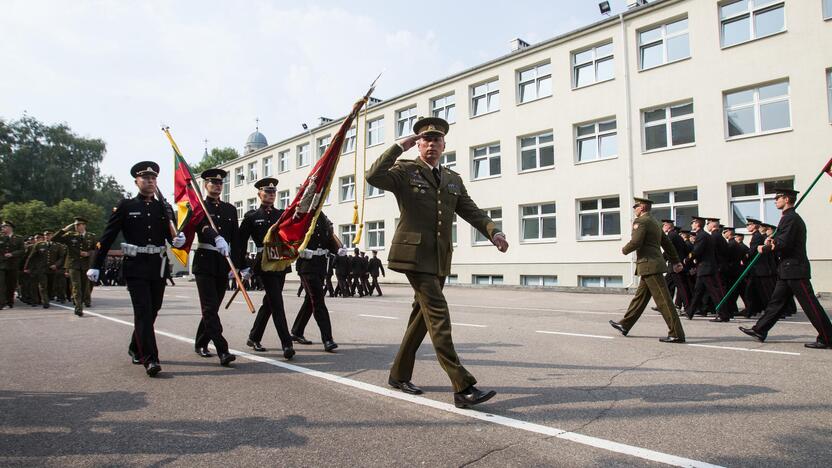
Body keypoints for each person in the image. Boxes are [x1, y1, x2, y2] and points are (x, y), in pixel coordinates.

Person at [366, 116, 508, 409]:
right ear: (417, 144)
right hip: (413, 256)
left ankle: (398, 375)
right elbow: (373, 176)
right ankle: (462, 386)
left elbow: (472, 211)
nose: (431, 144)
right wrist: (397, 147)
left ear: (444, 144)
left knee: (421, 318)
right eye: (425, 140)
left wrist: (494, 232)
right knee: (439, 315)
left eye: (436, 140)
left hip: (440, 257)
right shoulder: (405, 171)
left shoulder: (453, 179)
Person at [87, 161, 186, 376]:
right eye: (145, 178)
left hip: (157, 267)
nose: (150, 181)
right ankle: (150, 358)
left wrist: (178, 240)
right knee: (143, 311)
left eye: (153, 178)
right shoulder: (126, 206)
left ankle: (135, 346)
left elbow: (171, 235)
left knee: (153, 309)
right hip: (135, 266)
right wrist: (96, 265)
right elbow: (107, 237)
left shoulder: (164, 207)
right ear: (136, 181)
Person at [739, 187, 832, 349]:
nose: (775, 200)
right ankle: (760, 330)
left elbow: (784, 244)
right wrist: (771, 241)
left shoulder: (791, 218)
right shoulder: (787, 218)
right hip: (787, 269)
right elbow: (782, 240)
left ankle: (827, 337)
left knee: (810, 305)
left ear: (787, 199)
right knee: (776, 302)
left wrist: (765, 247)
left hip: (795, 269)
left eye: (778, 197)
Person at [235, 177, 296, 359]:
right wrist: (243, 266)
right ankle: (287, 343)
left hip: (280, 262)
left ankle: (254, 337)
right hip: (264, 263)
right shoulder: (252, 217)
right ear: (259, 194)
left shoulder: (282, 215)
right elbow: (240, 242)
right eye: (267, 192)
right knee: (277, 303)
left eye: (273, 192)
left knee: (269, 303)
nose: (270, 195)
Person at [610, 199, 685, 343]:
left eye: (636, 207)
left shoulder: (642, 222)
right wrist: (676, 261)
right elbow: (667, 244)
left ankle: (676, 333)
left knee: (664, 301)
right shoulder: (656, 223)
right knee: (640, 299)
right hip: (650, 265)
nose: (634, 209)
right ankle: (625, 325)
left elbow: (636, 242)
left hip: (650, 265)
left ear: (642, 207)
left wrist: (624, 250)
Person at [191, 168, 239, 366]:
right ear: (205, 185)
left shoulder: (230, 209)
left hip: (222, 262)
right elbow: (201, 226)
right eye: (213, 183)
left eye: (220, 183)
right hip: (204, 261)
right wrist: (215, 237)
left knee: (213, 308)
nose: (217, 186)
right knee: (209, 307)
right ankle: (222, 349)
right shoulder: (199, 206)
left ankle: (201, 342)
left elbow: (235, 238)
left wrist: (238, 265)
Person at [290, 211, 341, 353]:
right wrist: (299, 250)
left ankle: (297, 331)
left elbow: (328, 239)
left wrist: (337, 249)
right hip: (307, 266)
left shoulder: (323, 217)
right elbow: (291, 238)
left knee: (309, 300)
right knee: (318, 300)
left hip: (320, 266)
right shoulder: (302, 215)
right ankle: (328, 339)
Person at [686, 217, 729, 322]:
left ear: (697, 224)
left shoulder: (702, 236)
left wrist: (687, 259)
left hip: (706, 269)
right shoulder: (705, 235)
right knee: (698, 291)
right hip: (704, 268)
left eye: (693, 223)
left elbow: (697, 251)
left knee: (714, 292)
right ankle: (690, 312)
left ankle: (723, 315)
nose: (692, 225)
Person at [52, 217, 97, 317]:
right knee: (76, 286)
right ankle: (78, 307)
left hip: (85, 265)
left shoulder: (91, 236)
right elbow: (54, 238)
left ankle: (81, 303)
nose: (76, 227)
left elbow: (96, 250)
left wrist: (88, 253)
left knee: (84, 286)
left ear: (84, 225)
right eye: (75, 225)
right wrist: (64, 229)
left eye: (78, 225)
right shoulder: (69, 235)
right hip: (73, 264)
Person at [0, 221, 26, 309]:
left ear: (10, 227)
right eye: (2, 227)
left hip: (13, 264)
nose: (2, 228)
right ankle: (2, 303)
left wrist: (12, 254)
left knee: (11, 284)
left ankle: (9, 302)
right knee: (1, 284)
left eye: (4, 226)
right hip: (1, 264)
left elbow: (22, 250)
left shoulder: (19, 238)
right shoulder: (1, 237)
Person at [22, 234, 51, 308]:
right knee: (33, 286)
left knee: (43, 286)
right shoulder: (31, 247)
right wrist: (26, 268)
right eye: (36, 238)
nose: (38, 239)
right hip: (33, 269)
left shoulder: (46, 246)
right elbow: (28, 258)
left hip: (42, 269)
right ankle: (34, 301)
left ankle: (45, 302)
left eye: (39, 238)